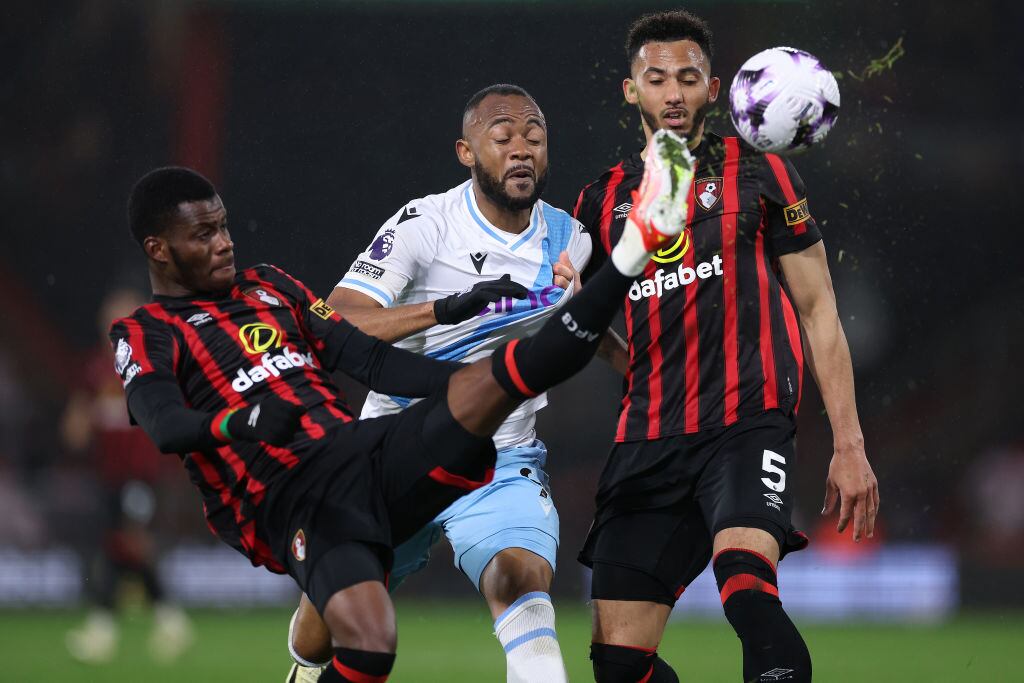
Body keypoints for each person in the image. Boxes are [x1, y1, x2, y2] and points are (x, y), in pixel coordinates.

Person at [110, 127, 692, 683]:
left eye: (224, 226)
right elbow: (165, 426)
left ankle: (633, 253)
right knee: (368, 645)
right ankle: (308, 667)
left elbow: (366, 359)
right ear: (158, 249)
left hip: (362, 455)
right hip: (291, 499)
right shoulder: (145, 333)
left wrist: (469, 371)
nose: (224, 242)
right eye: (205, 234)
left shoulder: (273, 286)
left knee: (508, 391)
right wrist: (243, 420)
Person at [571, 10, 880, 683]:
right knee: (619, 663)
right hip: (647, 438)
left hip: (746, 422)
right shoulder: (599, 201)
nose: (674, 93)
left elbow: (818, 307)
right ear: (632, 92)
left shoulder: (760, 171)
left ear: (716, 89)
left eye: (689, 78)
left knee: (747, 591)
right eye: (657, 80)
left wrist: (849, 444)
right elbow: (579, 318)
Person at [285, 83, 590, 683]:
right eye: (502, 138)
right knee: (324, 628)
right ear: (467, 151)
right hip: (395, 447)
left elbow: (590, 329)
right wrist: (445, 309)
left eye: (534, 136)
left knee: (521, 585)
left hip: (501, 455)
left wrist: (594, 322)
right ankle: (303, 670)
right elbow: (336, 319)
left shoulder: (570, 239)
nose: (521, 149)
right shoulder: (425, 223)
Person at [62, 287, 193, 664]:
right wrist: (79, 424)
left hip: (143, 473)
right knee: (126, 545)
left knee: (125, 542)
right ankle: (170, 621)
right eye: (110, 314)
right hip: (109, 475)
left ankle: (102, 628)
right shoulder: (94, 370)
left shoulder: (149, 362)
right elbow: (77, 424)